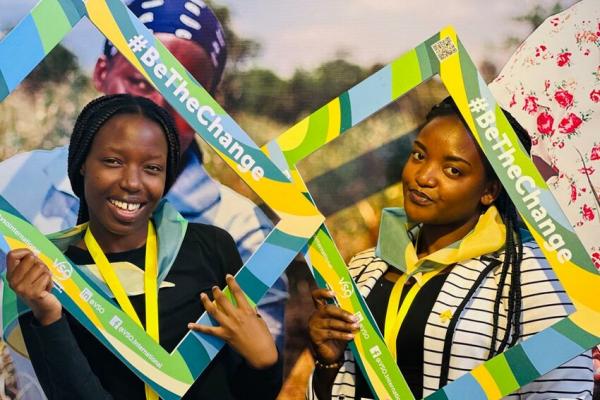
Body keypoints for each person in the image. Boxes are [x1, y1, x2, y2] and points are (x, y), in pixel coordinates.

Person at [0, 0, 287, 354]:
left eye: (185, 91)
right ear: (102, 71)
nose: (158, 104)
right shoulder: (15, 183)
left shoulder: (243, 231)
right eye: (140, 79)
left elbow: (251, 372)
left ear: (210, 104)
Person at [307, 97, 594, 399]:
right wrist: (329, 363)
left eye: (453, 170)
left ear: (489, 191)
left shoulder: (533, 279)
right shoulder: (363, 267)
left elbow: (563, 393)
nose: (423, 177)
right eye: (419, 155)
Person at [5, 94, 282, 400]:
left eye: (152, 168)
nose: (133, 183)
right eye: (113, 161)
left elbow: (249, 392)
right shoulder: (50, 277)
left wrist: (265, 363)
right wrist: (48, 317)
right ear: (82, 162)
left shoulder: (211, 248)